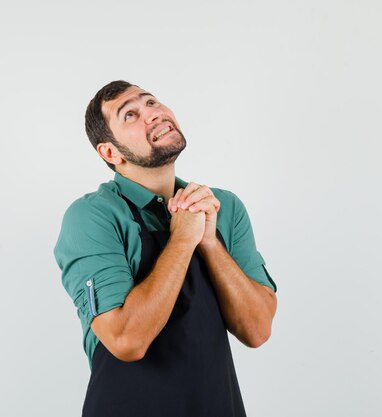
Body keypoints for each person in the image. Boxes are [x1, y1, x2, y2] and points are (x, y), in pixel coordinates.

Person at [54, 80, 278, 417]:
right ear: (110, 153)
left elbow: (257, 329)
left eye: (152, 102)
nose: (152, 114)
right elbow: (127, 340)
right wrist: (183, 239)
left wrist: (209, 242)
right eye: (130, 115)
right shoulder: (93, 217)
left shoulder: (222, 207)